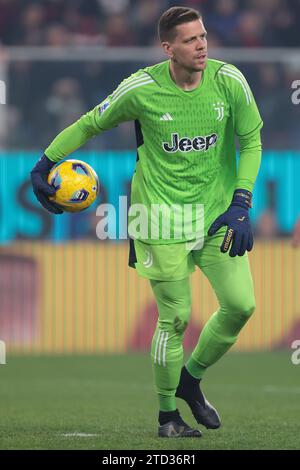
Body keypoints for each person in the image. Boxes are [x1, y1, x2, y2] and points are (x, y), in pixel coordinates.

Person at [31, 6, 263, 438]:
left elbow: (250, 140)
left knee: (241, 306)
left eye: (204, 36)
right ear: (168, 48)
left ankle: (190, 381)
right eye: (191, 39)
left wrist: (241, 201)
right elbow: (90, 123)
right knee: (175, 318)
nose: (202, 45)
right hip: (159, 218)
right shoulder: (141, 89)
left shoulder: (229, 81)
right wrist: (43, 165)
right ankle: (167, 416)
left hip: (216, 214)